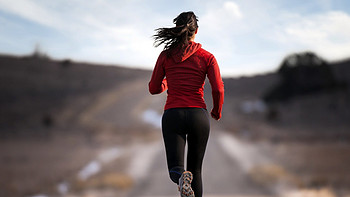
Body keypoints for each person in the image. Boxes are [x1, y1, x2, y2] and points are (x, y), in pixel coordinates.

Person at [149, 11, 224, 197]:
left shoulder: (165, 56)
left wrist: (167, 83)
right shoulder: (207, 57)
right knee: (196, 171)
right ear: (196, 31)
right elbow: (218, 89)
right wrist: (216, 110)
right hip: (198, 115)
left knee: (177, 169)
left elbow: (153, 88)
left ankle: (181, 177)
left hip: (173, 114)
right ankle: (186, 179)